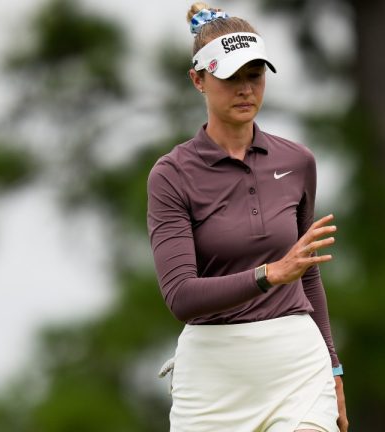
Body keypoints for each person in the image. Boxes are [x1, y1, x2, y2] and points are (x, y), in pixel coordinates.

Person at [147, 3, 348, 431]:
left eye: (254, 76)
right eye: (230, 77)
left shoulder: (298, 162)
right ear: (198, 80)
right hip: (214, 380)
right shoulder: (172, 175)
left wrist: (334, 370)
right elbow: (181, 296)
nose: (245, 89)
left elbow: (308, 276)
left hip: (296, 365)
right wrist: (270, 274)